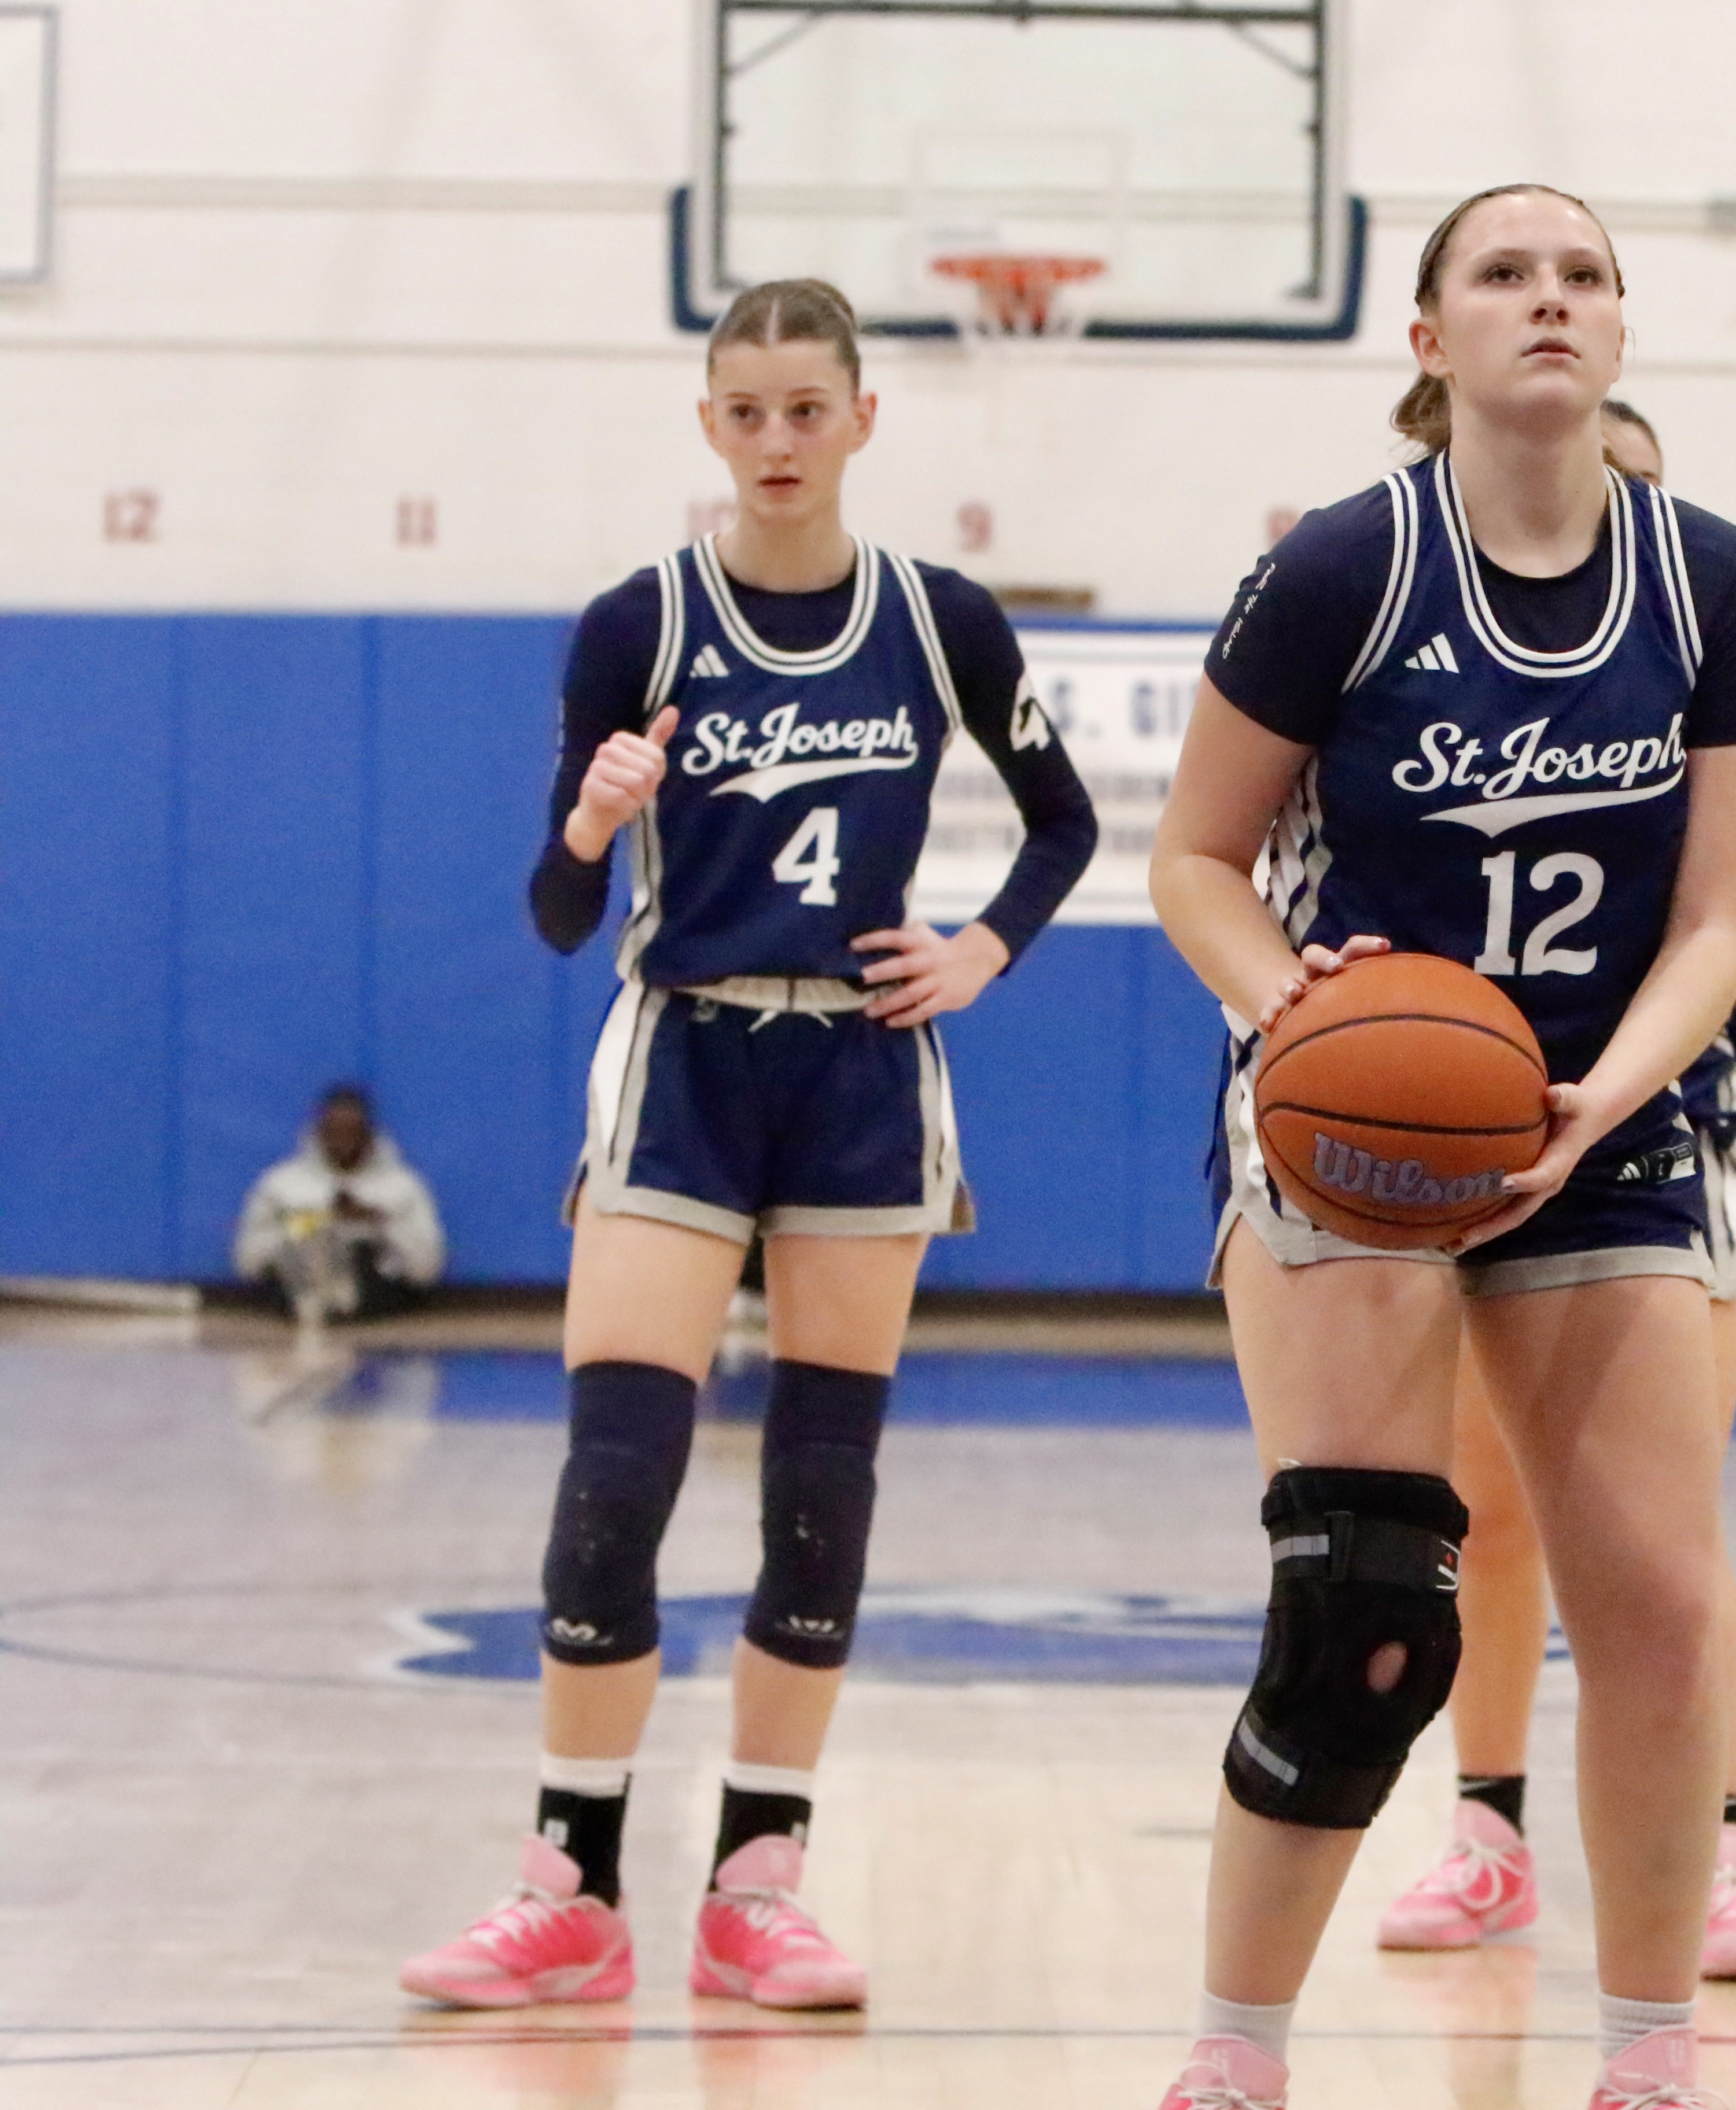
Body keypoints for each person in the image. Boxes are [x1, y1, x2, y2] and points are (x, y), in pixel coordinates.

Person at [1148, 185, 1736, 2110]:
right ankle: (1234, 2052)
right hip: (1360, 1125)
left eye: (1583, 275)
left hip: (1600, 1110)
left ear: (1621, 333)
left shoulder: (1719, 585)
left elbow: (1718, 916)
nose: (1550, 299)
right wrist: (1285, 1002)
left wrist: (1610, 1093)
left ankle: (1650, 2054)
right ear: (1427, 341)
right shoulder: (1341, 569)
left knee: (1661, 1605)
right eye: (1503, 274)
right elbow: (1193, 858)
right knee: (1362, 1594)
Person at [396, 278, 1097, 2013]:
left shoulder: (939, 621)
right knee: (616, 1476)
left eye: (811, 408)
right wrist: (587, 820)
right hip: (687, 1057)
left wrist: (983, 945)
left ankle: (757, 1883)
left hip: (863, 1064)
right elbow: (562, 916)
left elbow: (1065, 820)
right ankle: (570, 1882)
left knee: (820, 1485)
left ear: (866, 421)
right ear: (709, 425)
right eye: (749, 410)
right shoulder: (637, 623)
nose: (779, 440)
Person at [1377, 398, 1736, 1982]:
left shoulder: (1703, 671)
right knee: (1480, 1516)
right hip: (1464, 1133)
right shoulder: (1409, 645)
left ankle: (1725, 1848)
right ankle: (1485, 1830)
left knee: (1669, 1537)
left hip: (1670, 1136)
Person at [233, 1083, 448, 1322]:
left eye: (352, 1131)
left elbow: (428, 1268)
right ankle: (318, 1298)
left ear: (369, 1134)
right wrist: (317, 1221)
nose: (344, 1140)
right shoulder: (282, 1185)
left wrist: (379, 1224)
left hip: (378, 1301)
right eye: (335, 1131)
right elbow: (249, 1261)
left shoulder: (403, 1187)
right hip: (296, 1295)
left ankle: (346, 1296)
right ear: (319, 1132)